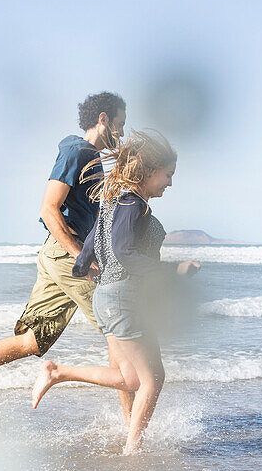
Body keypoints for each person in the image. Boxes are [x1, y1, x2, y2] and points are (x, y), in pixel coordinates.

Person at [0, 92, 128, 412]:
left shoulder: (91, 159)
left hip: (58, 255)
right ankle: (132, 430)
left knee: (32, 341)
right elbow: (49, 210)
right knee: (120, 330)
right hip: (66, 255)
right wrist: (79, 256)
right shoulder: (77, 152)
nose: (121, 132)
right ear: (102, 119)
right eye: (119, 124)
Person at [30, 131, 200, 454]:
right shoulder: (133, 205)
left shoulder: (112, 203)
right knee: (153, 378)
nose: (170, 183)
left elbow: (90, 246)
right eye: (168, 175)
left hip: (107, 295)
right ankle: (132, 451)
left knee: (130, 378)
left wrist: (86, 269)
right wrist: (172, 272)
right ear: (150, 171)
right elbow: (123, 251)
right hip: (125, 298)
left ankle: (57, 372)